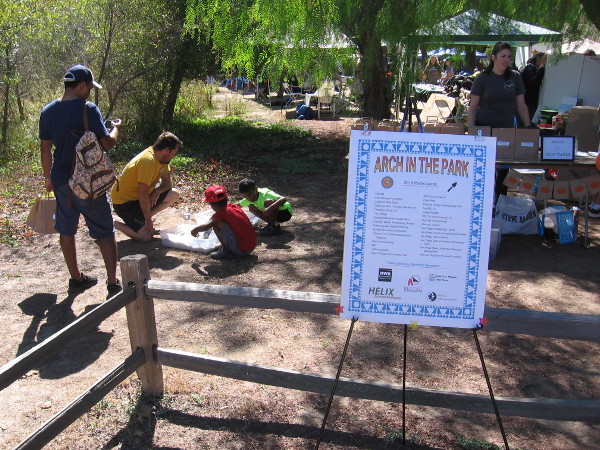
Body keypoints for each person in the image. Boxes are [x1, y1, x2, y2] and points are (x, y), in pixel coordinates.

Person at [39, 64, 122, 298]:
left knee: (66, 229)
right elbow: (106, 144)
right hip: (88, 182)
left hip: (61, 180)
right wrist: (115, 129)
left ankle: (76, 278)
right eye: (89, 87)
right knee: (104, 229)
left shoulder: (47, 111)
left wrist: (48, 178)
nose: (89, 92)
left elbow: (45, 148)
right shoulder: (88, 108)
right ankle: (113, 282)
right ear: (82, 85)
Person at [467, 42, 532, 199]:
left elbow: (521, 106)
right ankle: (485, 205)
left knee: (504, 172)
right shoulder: (482, 79)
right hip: (485, 128)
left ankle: (501, 204)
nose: (506, 60)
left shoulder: (515, 77)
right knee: (486, 171)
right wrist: (472, 130)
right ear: (493, 58)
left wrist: (529, 128)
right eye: (503, 56)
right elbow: (473, 108)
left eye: (509, 57)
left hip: (506, 130)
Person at [111, 132, 182, 242]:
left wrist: (158, 190)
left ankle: (142, 219)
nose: (174, 156)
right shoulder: (148, 161)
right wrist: (149, 220)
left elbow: (167, 183)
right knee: (146, 237)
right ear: (166, 150)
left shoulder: (163, 160)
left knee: (174, 194)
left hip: (140, 199)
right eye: (174, 153)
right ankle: (112, 223)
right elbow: (143, 194)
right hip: (125, 203)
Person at [191, 185, 256, 260]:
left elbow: (207, 226)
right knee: (220, 222)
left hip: (242, 250)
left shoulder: (220, 213)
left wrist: (194, 231)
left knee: (216, 223)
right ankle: (230, 248)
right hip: (251, 247)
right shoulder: (233, 206)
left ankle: (227, 251)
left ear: (213, 205)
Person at [520, 52, 547, 120]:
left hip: (530, 103)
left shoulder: (532, 68)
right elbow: (535, 82)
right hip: (528, 103)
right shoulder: (530, 68)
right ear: (538, 58)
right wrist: (542, 66)